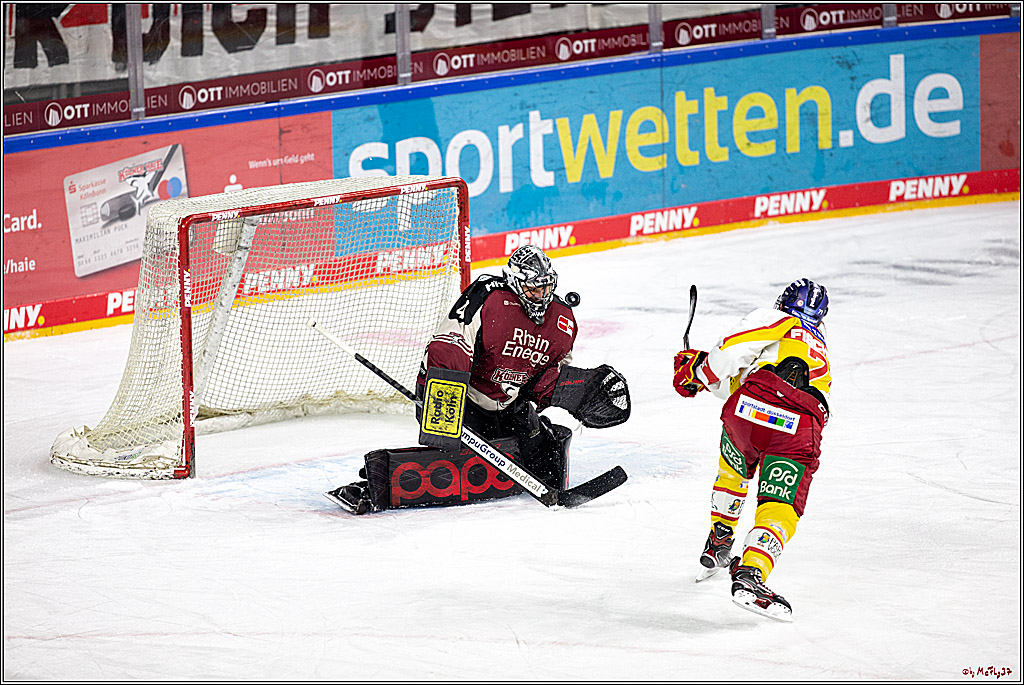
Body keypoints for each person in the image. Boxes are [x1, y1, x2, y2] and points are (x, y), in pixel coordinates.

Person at [329, 244, 630, 514]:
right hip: (465, 399)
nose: (541, 296)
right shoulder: (488, 297)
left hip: (510, 402)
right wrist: (442, 404)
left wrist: (579, 390)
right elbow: (450, 346)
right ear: (514, 282)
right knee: (453, 464)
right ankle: (376, 485)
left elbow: (549, 373)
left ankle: (535, 435)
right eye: (532, 289)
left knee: (545, 459)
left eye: (546, 288)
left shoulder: (562, 320)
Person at [673, 278, 831, 621]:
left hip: (747, 412)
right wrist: (701, 372)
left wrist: (697, 372)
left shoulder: (776, 318)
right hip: (799, 427)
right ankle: (751, 573)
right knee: (779, 506)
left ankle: (719, 539)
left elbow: (733, 360)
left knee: (733, 471)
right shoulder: (820, 350)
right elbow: (781, 383)